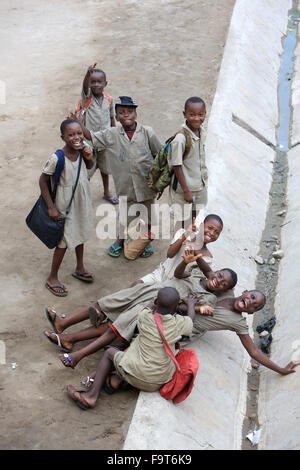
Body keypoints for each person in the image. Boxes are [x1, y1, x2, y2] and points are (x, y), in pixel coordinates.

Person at [43, 252, 237, 367]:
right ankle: (64, 325)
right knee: (108, 301)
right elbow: (179, 274)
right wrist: (186, 261)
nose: (218, 280)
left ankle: (75, 348)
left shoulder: (210, 298)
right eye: (219, 275)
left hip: (158, 304)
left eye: (223, 283)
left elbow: (192, 310)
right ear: (215, 272)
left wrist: (186, 303)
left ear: (224, 290)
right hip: (150, 290)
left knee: (117, 325)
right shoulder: (196, 274)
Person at [66, 287, 196, 410]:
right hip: (158, 381)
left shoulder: (144, 316)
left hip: (136, 372)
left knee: (111, 352)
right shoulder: (179, 323)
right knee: (144, 347)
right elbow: (190, 319)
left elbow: (148, 307)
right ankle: (116, 380)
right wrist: (190, 304)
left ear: (157, 302)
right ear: (175, 308)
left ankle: (91, 396)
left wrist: (153, 303)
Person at [76, 95, 162, 258]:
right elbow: (92, 137)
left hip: (147, 184)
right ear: (116, 116)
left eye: (130, 111)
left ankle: (145, 241)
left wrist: (161, 181)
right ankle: (120, 240)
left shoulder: (147, 132)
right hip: (125, 186)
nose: (126, 115)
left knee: (148, 214)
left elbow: (161, 155)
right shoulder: (112, 134)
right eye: (121, 112)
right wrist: (79, 123)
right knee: (125, 215)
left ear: (135, 114)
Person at [39, 119, 94, 297]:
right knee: (63, 240)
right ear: (63, 137)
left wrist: (88, 157)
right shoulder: (57, 158)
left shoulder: (83, 151)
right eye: (71, 135)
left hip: (81, 199)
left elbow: (90, 167)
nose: (76, 137)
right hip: (65, 202)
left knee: (80, 230)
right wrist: (51, 207)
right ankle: (52, 277)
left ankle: (79, 267)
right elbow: (43, 181)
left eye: (79, 133)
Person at [130, 213, 223, 287]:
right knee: (137, 284)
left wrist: (193, 253)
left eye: (216, 232)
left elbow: (190, 277)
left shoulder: (207, 259)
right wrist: (186, 235)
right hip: (161, 273)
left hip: (174, 285)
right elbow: (170, 254)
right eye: (210, 228)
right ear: (202, 225)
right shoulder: (183, 233)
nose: (211, 233)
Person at [79, 63, 118, 204]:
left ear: (105, 83)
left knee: (105, 168)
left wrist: (115, 135)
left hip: (105, 141)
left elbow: (112, 118)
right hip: (89, 141)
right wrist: (87, 75)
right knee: (86, 170)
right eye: (92, 82)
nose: (95, 85)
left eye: (99, 82)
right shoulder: (87, 98)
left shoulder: (109, 99)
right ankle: (84, 196)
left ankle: (107, 192)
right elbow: (84, 87)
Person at [168, 97, 208, 230]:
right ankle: (176, 247)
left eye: (200, 114)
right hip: (184, 190)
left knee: (193, 219)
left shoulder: (202, 132)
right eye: (192, 115)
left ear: (205, 114)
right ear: (184, 114)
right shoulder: (180, 138)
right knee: (182, 223)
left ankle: (188, 244)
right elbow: (177, 165)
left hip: (199, 186)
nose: (197, 118)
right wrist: (186, 191)